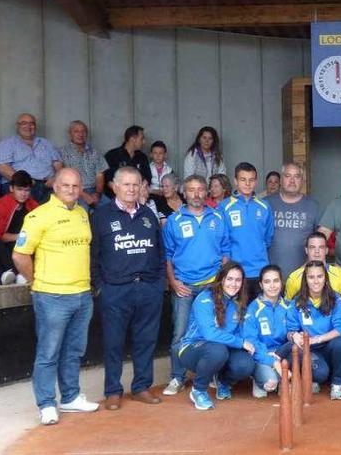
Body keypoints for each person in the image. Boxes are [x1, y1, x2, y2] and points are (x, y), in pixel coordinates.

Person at [12, 168, 97, 425]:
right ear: (55, 187)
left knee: (73, 350)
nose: (71, 190)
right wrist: (35, 281)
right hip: (52, 296)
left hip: (82, 294)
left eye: (76, 186)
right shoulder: (39, 215)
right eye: (65, 185)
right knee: (48, 352)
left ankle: (70, 397)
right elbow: (19, 255)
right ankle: (47, 403)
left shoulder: (82, 213)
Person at [90, 167, 165, 410]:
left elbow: (160, 252)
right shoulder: (101, 215)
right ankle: (113, 391)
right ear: (114, 186)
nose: (131, 189)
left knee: (145, 340)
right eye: (126, 184)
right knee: (113, 342)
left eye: (136, 185)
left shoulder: (148, 215)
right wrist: (100, 287)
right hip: (115, 290)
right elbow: (93, 255)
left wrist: (157, 284)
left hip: (147, 288)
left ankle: (141, 387)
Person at [162, 174, 229, 396]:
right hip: (185, 286)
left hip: (211, 285)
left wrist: (220, 283)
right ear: (184, 192)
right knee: (180, 334)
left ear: (206, 192)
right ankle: (177, 377)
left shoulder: (217, 218)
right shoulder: (174, 220)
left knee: (212, 332)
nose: (196, 194)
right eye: (191, 190)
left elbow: (225, 252)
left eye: (201, 189)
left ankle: (211, 374)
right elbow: (167, 256)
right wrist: (173, 282)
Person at [178, 261, 257, 410]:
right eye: (230, 279)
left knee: (246, 364)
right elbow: (209, 334)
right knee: (217, 350)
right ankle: (198, 390)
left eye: (238, 280)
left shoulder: (238, 302)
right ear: (221, 279)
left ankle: (223, 380)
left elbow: (239, 332)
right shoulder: (205, 298)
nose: (234, 284)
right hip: (193, 348)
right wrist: (241, 343)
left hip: (224, 348)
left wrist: (246, 344)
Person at [280, 261, 341, 400]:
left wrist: (317, 338)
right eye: (311, 277)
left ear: (325, 278)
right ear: (305, 279)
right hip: (308, 349)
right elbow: (290, 331)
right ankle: (312, 377)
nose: (316, 281)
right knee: (321, 374)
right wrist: (294, 336)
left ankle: (337, 383)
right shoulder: (297, 301)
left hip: (328, 345)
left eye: (320, 276)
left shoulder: (335, 298)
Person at [221, 162, 273, 294]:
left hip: (260, 269)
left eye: (251, 180)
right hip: (235, 271)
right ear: (235, 181)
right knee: (237, 313)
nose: (247, 184)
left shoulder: (264, 206)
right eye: (243, 179)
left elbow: (268, 238)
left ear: (256, 182)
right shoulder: (224, 207)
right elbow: (222, 240)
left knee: (259, 312)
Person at [266, 162, 322, 278]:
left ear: (302, 181)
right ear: (281, 180)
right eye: (287, 176)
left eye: (297, 176)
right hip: (270, 276)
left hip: (303, 275)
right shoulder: (266, 204)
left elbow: (320, 242)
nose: (292, 180)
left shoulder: (314, 206)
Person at [241, 264, 289, 398]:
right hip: (262, 355)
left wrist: (280, 356)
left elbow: (293, 335)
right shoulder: (253, 309)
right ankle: (260, 378)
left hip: (283, 354)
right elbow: (251, 342)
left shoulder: (288, 306)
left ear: (281, 282)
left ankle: (285, 379)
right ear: (261, 285)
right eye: (267, 282)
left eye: (276, 281)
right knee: (270, 383)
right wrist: (270, 360)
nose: (272, 286)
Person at [0, 113, 61, 202]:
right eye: (24, 123)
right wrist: (25, 181)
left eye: (31, 123)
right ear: (17, 126)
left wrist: (56, 179)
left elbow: (58, 165)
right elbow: (1, 167)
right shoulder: (7, 143)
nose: (28, 126)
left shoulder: (46, 143)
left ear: (35, 126)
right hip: (21, 186)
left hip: (48, 184)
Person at [284, 231, 341, 307]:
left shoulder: (340, 275)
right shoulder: (294, 277)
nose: (317, 251)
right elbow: (287, 306)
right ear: (306, 250)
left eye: (321, 247)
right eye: (312, 247)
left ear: (326, 250)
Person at [0, 170, 38, 285]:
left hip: (26, 243)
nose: (23, 194)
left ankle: (19, 275)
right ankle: (16, 273)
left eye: (27, 190)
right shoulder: (0, 205)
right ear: (11, 188)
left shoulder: (33, 205)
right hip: (7, 244)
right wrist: (20, 237)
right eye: (19, 189)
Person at [59, 121, 108, 209]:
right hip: (74, 191)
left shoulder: (95, 152)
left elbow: (100, 176)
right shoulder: (62, 152)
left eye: (83, 131)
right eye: (76, 131)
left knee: (111, 208)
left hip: (95, 191)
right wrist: (84, 195)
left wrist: (97, 194)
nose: (80, 134)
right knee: (82, 212)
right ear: (70, 134)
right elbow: (62, 178)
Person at [104, 125, 151, 195]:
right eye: (142, 139)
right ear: (133, 139)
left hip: (138, 195)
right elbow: (108, 181)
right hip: (115, 196)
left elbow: (147, 178)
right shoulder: (112, 155)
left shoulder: (142, 157)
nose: (144, 142)